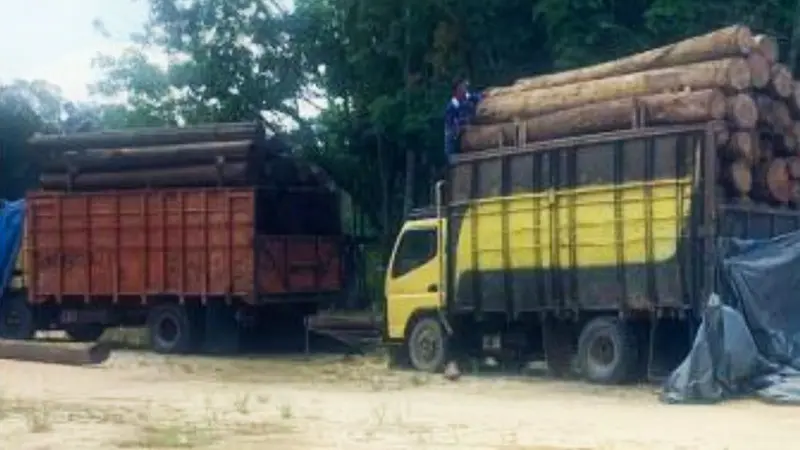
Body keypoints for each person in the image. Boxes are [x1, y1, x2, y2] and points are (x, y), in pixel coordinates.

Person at [444, 78, 482, 164]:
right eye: (463, 87)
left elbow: (477, 97)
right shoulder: (452, 106)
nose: (465, 89)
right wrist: (461, 126)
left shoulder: (467, 98)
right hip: (455, 144)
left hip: (467, 139)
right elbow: (451, 127)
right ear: (457, 90)